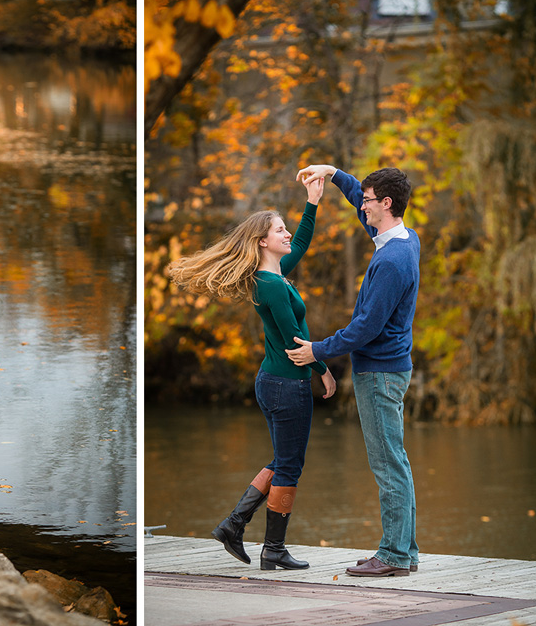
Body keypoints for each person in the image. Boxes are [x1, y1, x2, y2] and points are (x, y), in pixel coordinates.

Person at [169, 177, 336, 570]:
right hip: (286, 385)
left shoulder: (273, 275)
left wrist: (312, 201)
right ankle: (267, 544)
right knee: (290, 465)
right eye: (280, 229)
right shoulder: (272, 286)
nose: (287, 233)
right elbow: (293, 338)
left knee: (283, 460)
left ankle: (236, 525)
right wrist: (324, 370)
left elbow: (303, 242)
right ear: (262, 241)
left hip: (275, 383)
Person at [288, 164, 420, 577]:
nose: (361, 205)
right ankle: (405, 551)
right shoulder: (402, 240)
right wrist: (335, 174)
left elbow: (366, 328)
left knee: (388, 464)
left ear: (386, 203)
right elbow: (361, 208)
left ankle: (395, 555)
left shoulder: (392, 261)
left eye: (367, 199)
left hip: (379, 373)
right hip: (390, 369)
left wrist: (317, 351)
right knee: (395, 460)